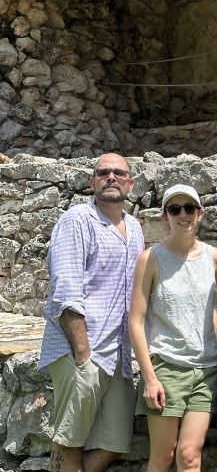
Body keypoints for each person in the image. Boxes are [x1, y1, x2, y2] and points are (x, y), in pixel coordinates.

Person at [39, 153, 145, 472]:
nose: (111, 177)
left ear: (131, 183)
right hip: (82, 351)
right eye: (103, 172)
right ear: (92, 182)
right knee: (70, 437)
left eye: (118, 173)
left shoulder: (136, 228)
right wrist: (83, 354)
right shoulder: (76, 220)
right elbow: (66, 290)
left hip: (118, 357)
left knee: (114, 443)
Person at [129, 184, 217, 472]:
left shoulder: (215, 257)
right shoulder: (151, 259)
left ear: (200, 214)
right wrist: (150, 377)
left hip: (207, 370)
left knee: (190, 454)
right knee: (163, 455)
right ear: (164, 217)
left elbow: (211, 313)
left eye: (189, 208)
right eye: (175, 209)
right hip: (168, 368)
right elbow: (135, 320)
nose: (183, 215)